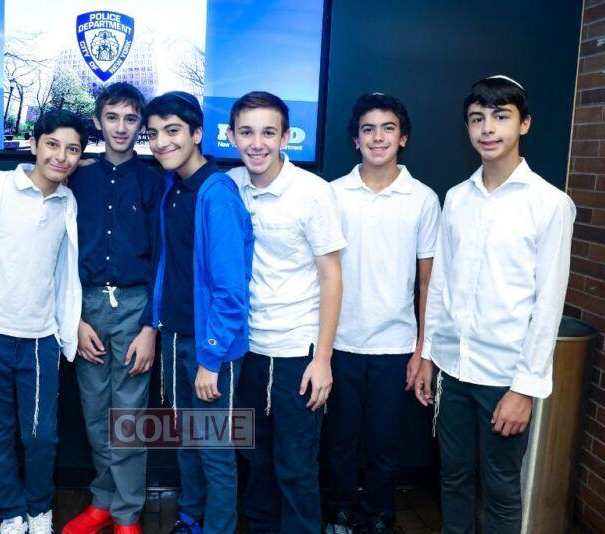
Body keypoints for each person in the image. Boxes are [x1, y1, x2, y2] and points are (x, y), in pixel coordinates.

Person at [414, 76, 575, 533]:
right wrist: (428, 355)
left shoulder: (550, 204)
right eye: (477, 118)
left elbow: (548, 305)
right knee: (453, 479)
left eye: (501, 116)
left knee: (502, 490)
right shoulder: (456, 198)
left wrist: (524, 389)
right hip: (452, 370)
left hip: (505, 377)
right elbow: (440, 283)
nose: (487, 128)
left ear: (524, 124)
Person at [226, 91, 344, 533]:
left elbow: (332, 277)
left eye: (268, 133)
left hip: (298, 351)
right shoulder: (230, 186)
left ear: (286, 137)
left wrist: (323, 358)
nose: (257, 143)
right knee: (254, 463)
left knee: (295, 467)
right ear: (232, 136)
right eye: (247, 132)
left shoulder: (313, 192)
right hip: (246, 352)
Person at [324, 92, 440, 534]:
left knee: (384, 443)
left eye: (388, 128)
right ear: (355, 139)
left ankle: (379, 512)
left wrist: (422, 350)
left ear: (403, 137)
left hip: (395, 345)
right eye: (368, 129)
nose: (377, 137)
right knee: (339, 440)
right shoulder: (332, 194)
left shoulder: (423, 199)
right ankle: (340, 508)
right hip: (339, 341)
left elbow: (428, 282)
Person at [0, 110, 84, 534]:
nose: (61, 156)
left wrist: (65, 328)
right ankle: (11, 514)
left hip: (39, 339)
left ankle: (39, 508)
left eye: (72, 149)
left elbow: (64, 272)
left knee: (41, 435)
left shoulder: (67, 202)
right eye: (52, 145)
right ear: (33, 145)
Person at [147, 91, 254, 534]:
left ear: (196, 134)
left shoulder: (217, 194)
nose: (161, 142)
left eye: (172, 131)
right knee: (187, 442)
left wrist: (211, 359)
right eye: (153, 133)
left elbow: (231, 291)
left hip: (211, 347)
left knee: (214, 449)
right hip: (175, 338)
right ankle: (190, 519)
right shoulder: (173, 186)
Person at [62, 83, 163, 534]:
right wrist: (74, 318)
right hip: (86, 305)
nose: (121, 127)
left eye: (130, 119)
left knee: (129, 417)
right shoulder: (76, 178)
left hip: (136, 306)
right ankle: (102, 501)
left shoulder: (155, 181)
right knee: (94, 411)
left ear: (140, 125)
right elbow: (60, 254)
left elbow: (163, 259)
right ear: (98, 121)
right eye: (112, 117)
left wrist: (150, 327)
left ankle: (127, 513)